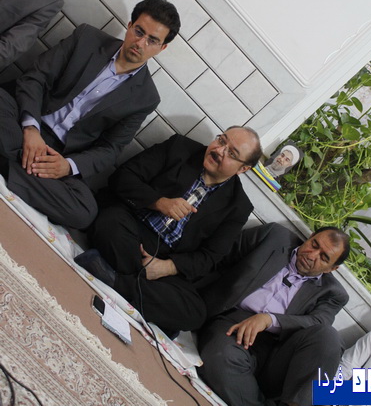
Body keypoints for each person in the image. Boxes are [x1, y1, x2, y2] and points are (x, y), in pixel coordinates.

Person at [0, 0, 180, 229]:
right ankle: (26, 169)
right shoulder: (87, 38)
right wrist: (31, 129)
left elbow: (110, 148)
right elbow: (36, 78)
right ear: (129, 26)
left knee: (84, 210)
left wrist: (67, 166)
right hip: (22, 120)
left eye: (152, 40)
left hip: (57, 154)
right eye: (139, 31)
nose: (140, 42)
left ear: (162, 48)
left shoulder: (146, 97)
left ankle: (8, 162)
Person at [75, 127, 262, 334]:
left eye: (231, 153)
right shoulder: (179, 147)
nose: (219, 150)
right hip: (131, 225)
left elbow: (210, 257)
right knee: (110, 223)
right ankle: (150, 302)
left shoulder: (238, 206)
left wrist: (168, 267)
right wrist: (159, 202)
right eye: (221, 140)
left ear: (243, 168)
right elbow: (123, 177)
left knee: (195, 312)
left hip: (165, 258)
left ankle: (115, 279)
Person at [197, 222, 350, 406]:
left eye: (323, 258)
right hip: (232, 325)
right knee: (222, 357)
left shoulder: (333, 293)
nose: (311, 255)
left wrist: (270, 319)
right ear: (310, 237)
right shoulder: (273, 236)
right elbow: (222, 254)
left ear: (331, 269)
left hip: (278, 351)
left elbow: (318, 321)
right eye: (314, 245)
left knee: (328, 336)